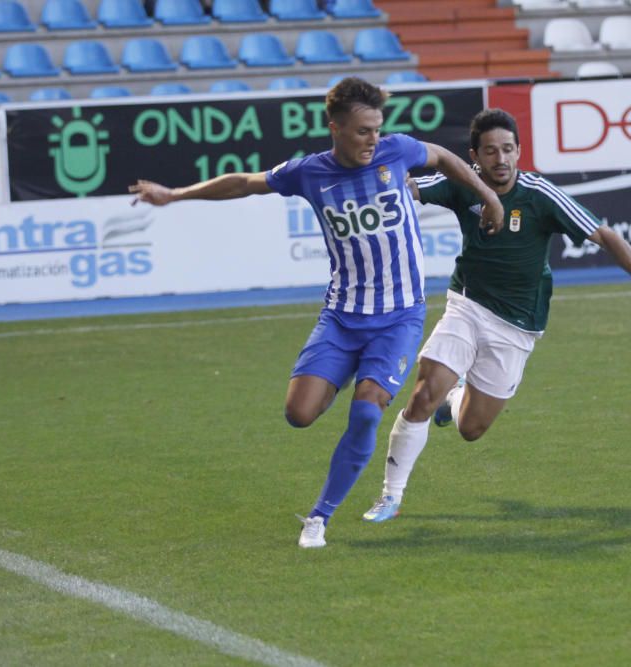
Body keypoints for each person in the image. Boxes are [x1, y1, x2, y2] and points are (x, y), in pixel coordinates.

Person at [129, 78, 504, 548]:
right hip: (343, 317)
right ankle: (347, 374)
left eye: (377, 129)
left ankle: (319, 517)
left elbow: (445, 158)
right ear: (336, 128)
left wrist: (487, 197)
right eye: (363, 131)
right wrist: (176, 194)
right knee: (299, 414)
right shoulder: (309, 173)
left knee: (366, 414)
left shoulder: (398, 152)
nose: (373, 139)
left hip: (398, 318)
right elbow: (244, 183)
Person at [361, 108, 631, 523]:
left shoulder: (539, 194)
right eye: (490, 151)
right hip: (467, 305)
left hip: (517, 326)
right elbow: (409, 188)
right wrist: (385, 176)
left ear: (519, 151)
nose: (501, 159)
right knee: (422, 393)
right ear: (474, 156)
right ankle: (391, 496)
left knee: (471, 429)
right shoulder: (462, 184)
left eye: (508, 149)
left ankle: (455, 398)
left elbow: (603, 235)